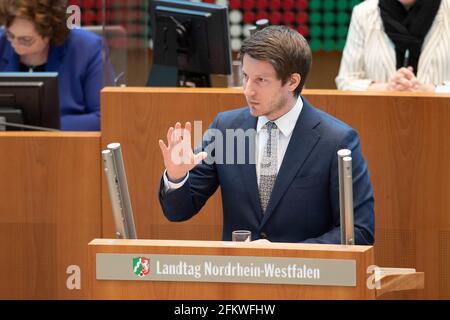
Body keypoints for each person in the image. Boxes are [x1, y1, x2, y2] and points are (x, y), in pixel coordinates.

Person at [158, 26, 375, 244]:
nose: (248, 90)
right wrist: (177, 177)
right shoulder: (226, 128)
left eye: (261, 80)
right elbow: (178, 212)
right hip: (238, 274)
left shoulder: (337, 141)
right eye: (245, 76)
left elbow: (358, 232)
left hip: (305, 275)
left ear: (292, 81)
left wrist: (281, 257)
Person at [0, 0, 109, 130]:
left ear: (50, 32)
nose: (15, 45)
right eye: (10, 35)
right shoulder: (2, 43)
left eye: (26, 40)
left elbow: (105, 117)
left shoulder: (87, 48)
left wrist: (38, 127)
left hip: (69, 144)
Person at [336, 0, 450, 93]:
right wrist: (388, 88)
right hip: (381, 117)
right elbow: (346, 81)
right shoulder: (363, 13)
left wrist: (432, 90)